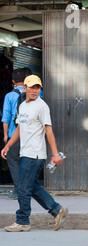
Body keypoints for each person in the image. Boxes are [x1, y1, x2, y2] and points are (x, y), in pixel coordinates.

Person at [1, 75, 68, 232]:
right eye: (31, 87)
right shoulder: (23, 106)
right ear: (25, 88)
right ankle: (57, 210)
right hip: (25, 152)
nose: (34, 90)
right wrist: (8, 145)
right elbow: (19, 128)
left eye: (37, 87)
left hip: (35, 154)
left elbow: (48, 130)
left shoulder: (42, 106)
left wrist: (55, 153)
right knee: (31, 186)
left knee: (23, 187)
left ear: (40, 89)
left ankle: (22, 220)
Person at [2, 68, 32, 199]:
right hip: (30, 134)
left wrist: (5, 136)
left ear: (13, 81)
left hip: (14, 134)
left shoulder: (9, 96)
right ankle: (26, 189)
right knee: (27, 161)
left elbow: (6, 118)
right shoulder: (36, 93)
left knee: (13, 161)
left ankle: (19, 190)